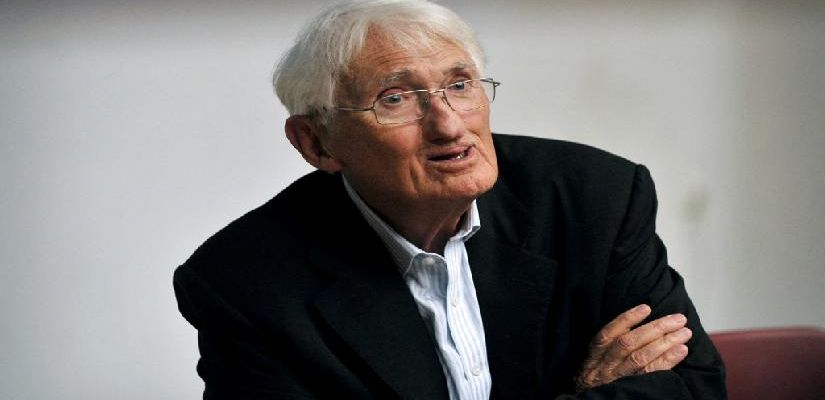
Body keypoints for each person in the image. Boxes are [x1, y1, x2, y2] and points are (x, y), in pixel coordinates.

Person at [173, 1, 726, 399]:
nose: (449, 125)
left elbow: (694, 385)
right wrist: (588, 389)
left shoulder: (593, 197)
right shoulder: (244, 282)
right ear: (316, 142)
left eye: (460, 85)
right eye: (395, 98)